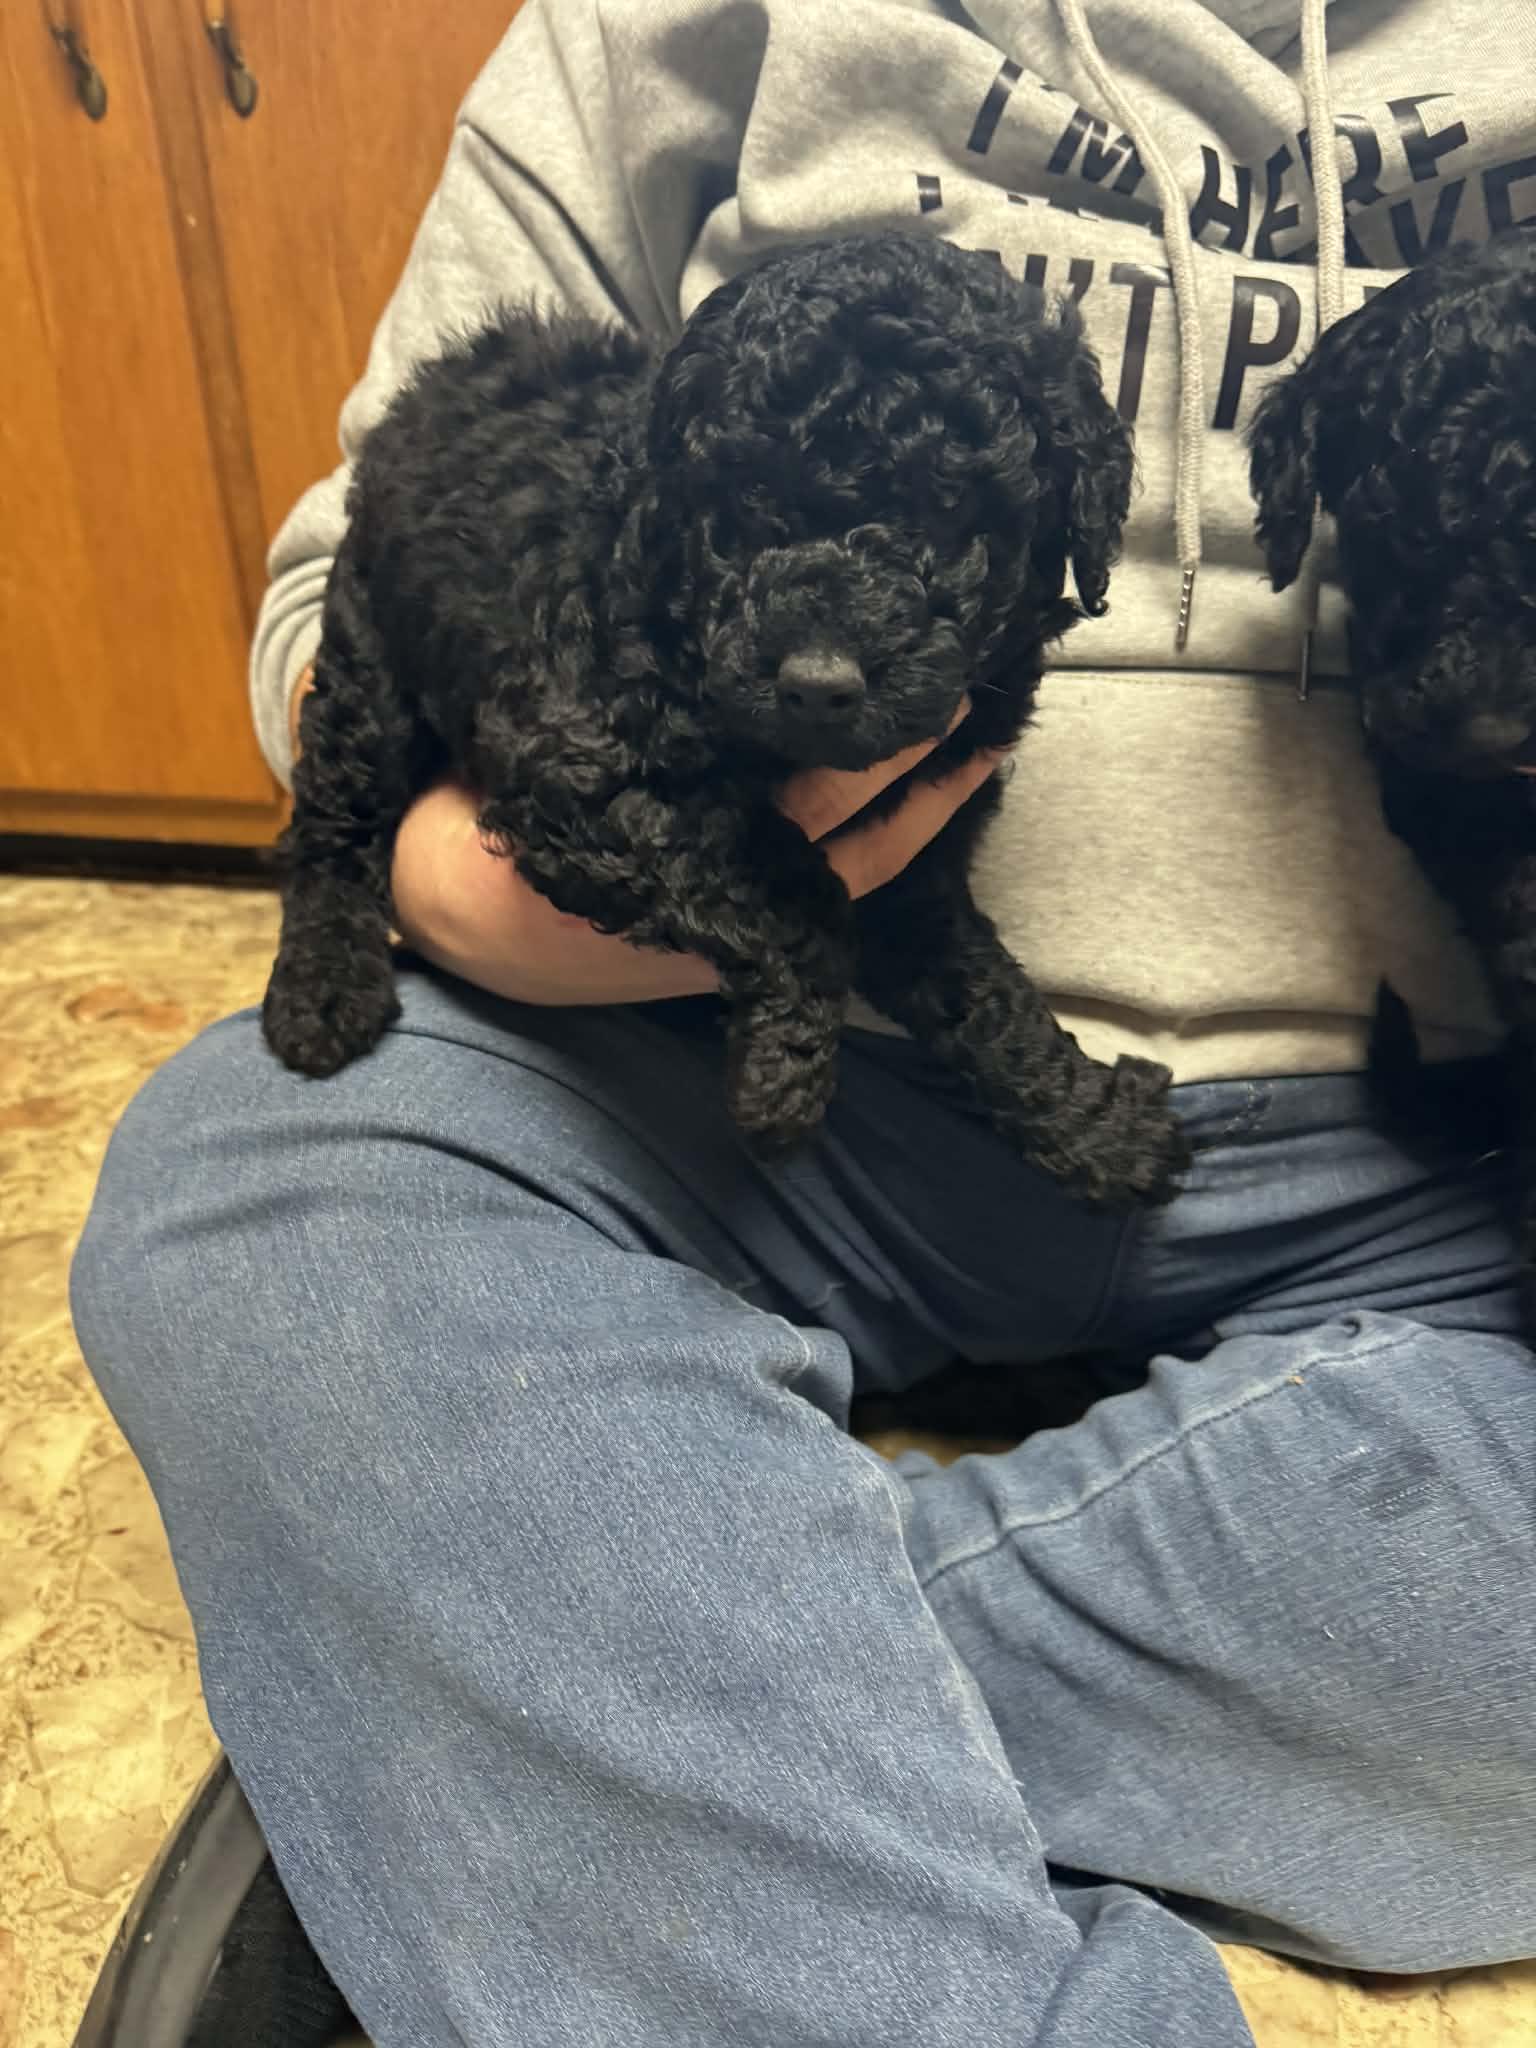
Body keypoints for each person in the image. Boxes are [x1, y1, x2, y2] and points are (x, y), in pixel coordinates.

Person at [71, 3, 1536, 2042]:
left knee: (507, 1601)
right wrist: (453, 880)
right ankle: (585, 1708)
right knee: (252, 1193)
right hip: (770, 1090)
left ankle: (545, 1716)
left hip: (1452, 1158)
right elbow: (367, 565)